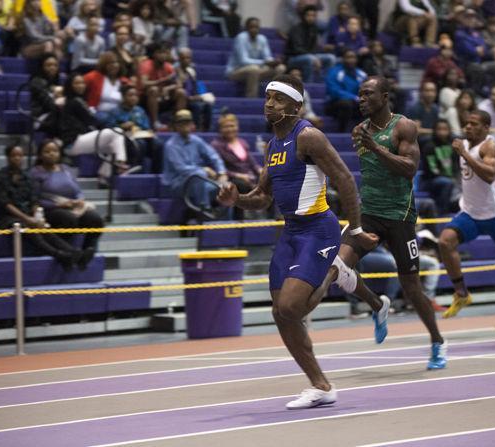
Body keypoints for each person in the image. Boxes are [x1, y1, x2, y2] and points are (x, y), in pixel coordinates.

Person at [217, 74, 377, 409]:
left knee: (291, 306)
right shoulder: (273, 145)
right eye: (267, 97)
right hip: (290, 232)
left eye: (277, 98)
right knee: (281, 314)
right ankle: (321, 385)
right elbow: (262, 197)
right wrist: (237, 200)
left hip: (319, 229)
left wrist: (356, 228)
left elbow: (345, 178)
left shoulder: (309, 137)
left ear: (296, 106)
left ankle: (335, 271)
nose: (269, 103)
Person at [314, 76, 448, 371]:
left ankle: (437, 341)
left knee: (412, 288)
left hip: (400, 216)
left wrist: (374, 147)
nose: (360, 99)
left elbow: (409, 169)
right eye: (359, 95)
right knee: (335, 266)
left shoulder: (404, 127)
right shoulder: (359, 130)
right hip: (368, 214)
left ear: (385, 96)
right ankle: (377, 305)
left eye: (367, 94)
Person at [438, 109, 495, 320]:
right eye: (467, 123)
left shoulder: (489, 145)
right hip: (470, 213)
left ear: (486, 128)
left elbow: (489, 176)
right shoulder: (466, 143)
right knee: (444, 242)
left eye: (474, 124)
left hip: (492, 215)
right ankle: (461, 293)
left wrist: (464, 154)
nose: (468, 126)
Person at [0, 144, 83, 270]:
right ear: (8, 157)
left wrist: (37, 216)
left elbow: (34, 199)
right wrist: (27, 219)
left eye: (20, 155)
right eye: (14, 155)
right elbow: (6, 204)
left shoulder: (27, 176)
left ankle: (73, 252)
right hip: (9, 218)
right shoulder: (0, 176)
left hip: (29, 214)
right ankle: (60, 255)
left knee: (44, 229)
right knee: (30, 229)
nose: (17, 158)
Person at [30, 139, 103, 269]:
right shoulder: (36, 173)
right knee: (68, 219)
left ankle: (87, 252)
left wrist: (79, 201)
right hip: (51, 209)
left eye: (55, 151)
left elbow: (78, 191)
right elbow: (35, 199)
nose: (51, 154)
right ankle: (67, 254)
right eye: (47, 151)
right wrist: (58, 205)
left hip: (73, 207)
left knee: (95, 219)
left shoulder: (67, 170)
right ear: (40, 155)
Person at [59, 73, 135, 183]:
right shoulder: (75, 101)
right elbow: (93, 121)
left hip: (79, 140)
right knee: (117, 132)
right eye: (77, 83)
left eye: (82, 83)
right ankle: (121, 164)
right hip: (73, 142)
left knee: (113, 147)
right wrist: (115, 125)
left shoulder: (78, 100)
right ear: (70, 85)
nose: (81, 85)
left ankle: (104, 177)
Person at [163, 109, 227, 214]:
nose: (185, 125)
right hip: (178, 183)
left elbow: (213, 155)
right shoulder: (171, 145)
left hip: (198, 181)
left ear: (192, 124)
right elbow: (181, 168)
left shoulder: (196, 140)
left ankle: (226, 223)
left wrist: (221, 172)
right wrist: (204, 170)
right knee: (198, 174)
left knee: (225, 187)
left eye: (187, 122)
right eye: (181, 123)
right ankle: (205, 210)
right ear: (176, 126)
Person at [225, 17, 285, 98]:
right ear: (246, 28)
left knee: (280, 68)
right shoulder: (241, 38)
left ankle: (274, 97)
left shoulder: (262, 38)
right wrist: (264, 62)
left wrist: (274, 61)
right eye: (251, 27)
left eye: (256, 27)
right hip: (236, 71)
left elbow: (267, 57)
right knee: (254, 69)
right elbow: (243, 61)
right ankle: (252, 99)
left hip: (256, 70)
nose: (254, 30)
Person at [138, 41, 187, 130]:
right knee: (153, 89)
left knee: (181, 92)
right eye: (160, 53)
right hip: (145, 99)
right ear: (154, 54)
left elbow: (179, 84)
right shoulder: (147, 65)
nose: (163, 55)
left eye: (165, 52)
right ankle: (155, 123)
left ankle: (178, 123)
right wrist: (162, 80)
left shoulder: (168, 66)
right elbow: (143, 84)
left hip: (163, 97)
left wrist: (168, 88)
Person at [285, 5, 336, 82]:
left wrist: (316, 55)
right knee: (310, 59)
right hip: (293, 58)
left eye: (313, 15)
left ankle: (326, 83)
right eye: (308, 15)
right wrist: (314, 57)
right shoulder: (296, 29)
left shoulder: (314, 28)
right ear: (303, 16)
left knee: (331, 58)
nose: (311, 17)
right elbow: (297, 49)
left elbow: (314, 48)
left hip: (310, 56)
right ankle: (308, 85)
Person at [419, 119, 458, 214]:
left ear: (449, 131)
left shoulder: (452, 146)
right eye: (439, 129)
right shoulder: (430, 146)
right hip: (430, 180)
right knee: (447, 182)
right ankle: (442, 212)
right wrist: (450, 178)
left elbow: (455, 166)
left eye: (445, 129)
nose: (442, 132)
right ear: (434, 130)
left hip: (450, 179)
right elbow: (432, 170)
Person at [325, 49, 367, 132]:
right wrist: (354, 97)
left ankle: (364, 133)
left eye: (353, 57)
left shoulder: (361, 74)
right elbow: (334, 91)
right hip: (335, 104)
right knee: (346, 104)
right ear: (343, 59)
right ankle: (342, 131)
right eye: (348, 57)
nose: (351, 60)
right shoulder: (334, 72)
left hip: (356, 104)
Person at [29, 53, 63, 136]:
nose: (52, 67)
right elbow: (49, 105)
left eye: (55, 65)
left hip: (54, 116)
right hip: (40, 118)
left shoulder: (57, 83)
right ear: (42, 67)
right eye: (48, 65)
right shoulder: (37, 82)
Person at [83, 50, 123, 119]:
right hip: (97, 114)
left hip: (118, 115)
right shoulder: (92, 77)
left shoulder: (123, 81)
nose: (114, 65)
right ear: (104, 65)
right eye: (110, 63)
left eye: (116, 62)